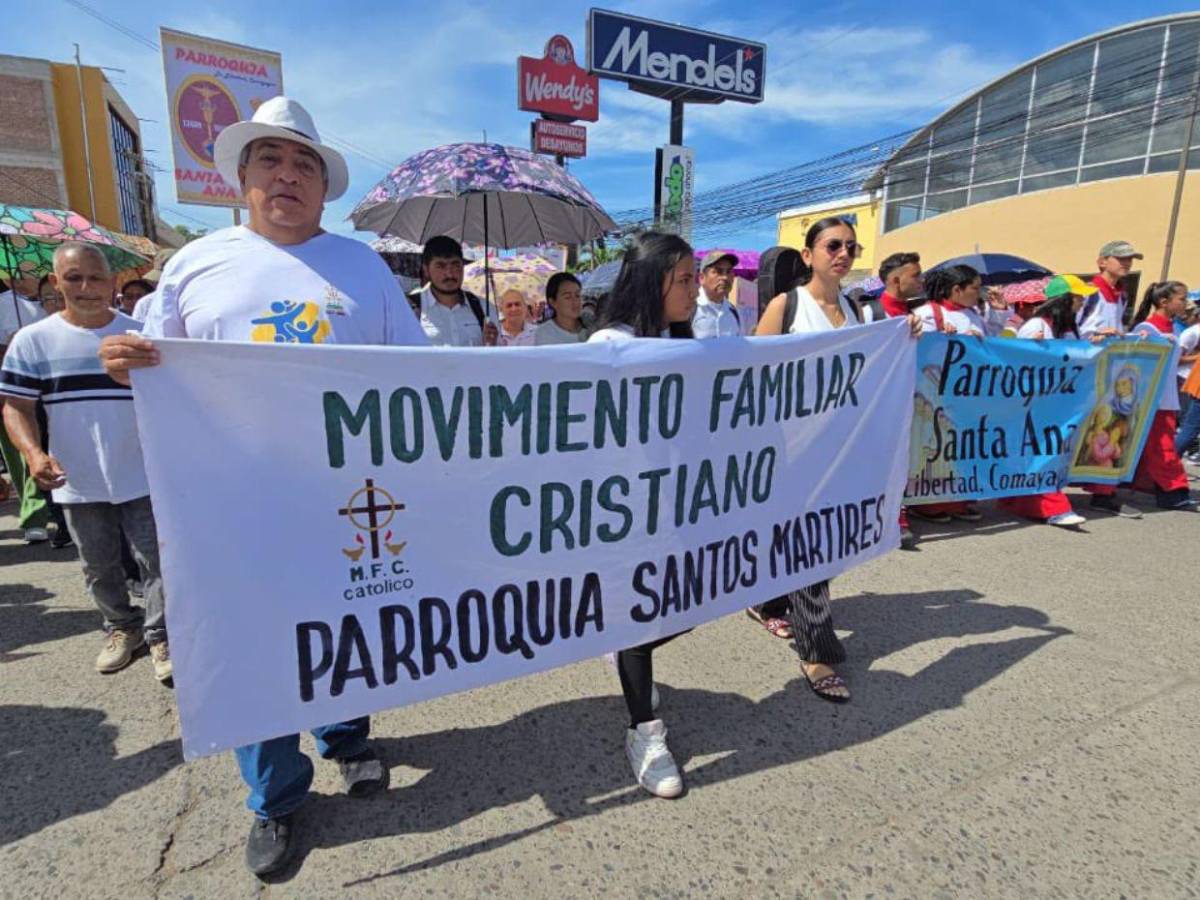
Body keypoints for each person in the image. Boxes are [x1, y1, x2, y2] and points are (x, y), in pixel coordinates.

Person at [98, 95, 429, 877]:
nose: (288, 175)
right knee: (253, 646)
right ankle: (276, 798)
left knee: (345, 627)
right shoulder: (195, 264)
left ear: (324, 185)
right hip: (231, 506)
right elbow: (154, 367)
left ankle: (347, 737)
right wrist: (123, 363)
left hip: (344, 502)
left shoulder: (363, 268)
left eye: (304, 162)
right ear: (241, 177)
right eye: (270, 160)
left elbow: (418, 376)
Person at [755, 217, 922, 703]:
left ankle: (769, 600)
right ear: (808, 255)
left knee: (826, 540)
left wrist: (904, 332)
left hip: (843, 449)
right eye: (832, 245)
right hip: (795, 450)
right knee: (812, 545)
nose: (843, 254)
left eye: (851, 246)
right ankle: (816, 652)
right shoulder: (786, 306)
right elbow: (752, 372)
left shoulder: (858, 310)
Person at [1, 243, 170, 676]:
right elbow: (16, 406)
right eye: (74, 278)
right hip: (76, 477)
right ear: (56, 283)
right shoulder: (33, 340)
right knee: (98, 565)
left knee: (158, 561)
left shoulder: (142, 337)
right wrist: (33, 453)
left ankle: (160, 635)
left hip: (145, 473)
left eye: (96, 277)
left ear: (112, 282)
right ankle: (121, 627)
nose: (86, 287)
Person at [588, 231, 698, 798]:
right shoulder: (611, 344)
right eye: (684, 280)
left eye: (695, 279)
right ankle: (644, 731)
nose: (695, 291)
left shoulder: (684, 342)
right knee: (641, 613)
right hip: (623, 511)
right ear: (652, 282)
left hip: (677, 502)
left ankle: (625, 649)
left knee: (689, 603)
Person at [997, 276, 1091, 527]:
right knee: (1043, 453)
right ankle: (1054, 507)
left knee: (1040, 454)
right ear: (1065, 300)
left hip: (1057, 401)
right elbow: (1017, 362)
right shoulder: (1036, 325)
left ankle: (1020, 501)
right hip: (1034, 403)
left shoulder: (1066, 329)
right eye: (1078, 297)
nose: (1082, 302)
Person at [908, 265, 986, 524]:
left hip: (965, 392)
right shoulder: (927, 313)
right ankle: (927, 504)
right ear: (956, 289)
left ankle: (958, 501)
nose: (978, 293)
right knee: (934, 446)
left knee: (960, 447)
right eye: (975, 287)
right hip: (932, 392)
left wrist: (978, 339)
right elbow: (914, 343)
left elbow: (994, 344)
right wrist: (940, 337)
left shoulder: (974, 315)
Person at [1076, 241, 1148, 518]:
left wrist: (1132, 335)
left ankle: (1102, 491)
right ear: (1102, 261)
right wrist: (1096, 335)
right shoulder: (1090, 292)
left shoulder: (1121, 295)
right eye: (1121, 258)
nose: (1126, 264)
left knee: (1107, 428)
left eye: (1130, 259)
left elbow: (1115, 327)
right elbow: (1073, 328)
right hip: (1088, 368)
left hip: (1111, 368)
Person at [1127, 281, 1195, 510]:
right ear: (1164, 302)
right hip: (1152, 399)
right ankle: (1173, 491)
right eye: (1182, 299)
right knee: (1163, 446)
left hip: (1166, 397)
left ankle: (1140, 482)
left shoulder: (1172, 328)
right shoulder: (1148, 328)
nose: (1186, 303)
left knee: (1154, 445)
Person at [0, 276, 55, 543]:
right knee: (15, 457)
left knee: (31, 449)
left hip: (28, 391)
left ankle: (39, 513)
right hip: (10, 391)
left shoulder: (34, 305)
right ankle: (33, 508)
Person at [877, 251, 925, 548]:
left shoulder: (916, 316)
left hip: (905, 400)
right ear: (896, 280)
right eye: (915, 275)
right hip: (875, 404)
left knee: (900, 458)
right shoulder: (869, 312)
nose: (921, 280)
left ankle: (896, 513)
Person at [415, 236, 499, 347]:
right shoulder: (412, 309)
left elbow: (500, 353)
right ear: (426, 270)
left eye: (455, 265)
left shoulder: (484, 309)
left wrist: (491, 346)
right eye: (440, 266)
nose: (449, 273)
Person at [691, 250, 740, 338]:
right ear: (702, 278)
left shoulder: (734, 312)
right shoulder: (690, 308)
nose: (725, 277)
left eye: (728, 272)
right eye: (718, 272)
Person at [535, 272, 588, 345]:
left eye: (577, 295)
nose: (575, 301)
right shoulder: (543, 333)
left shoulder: (592, 328)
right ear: (552, 302)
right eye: (567, 297)